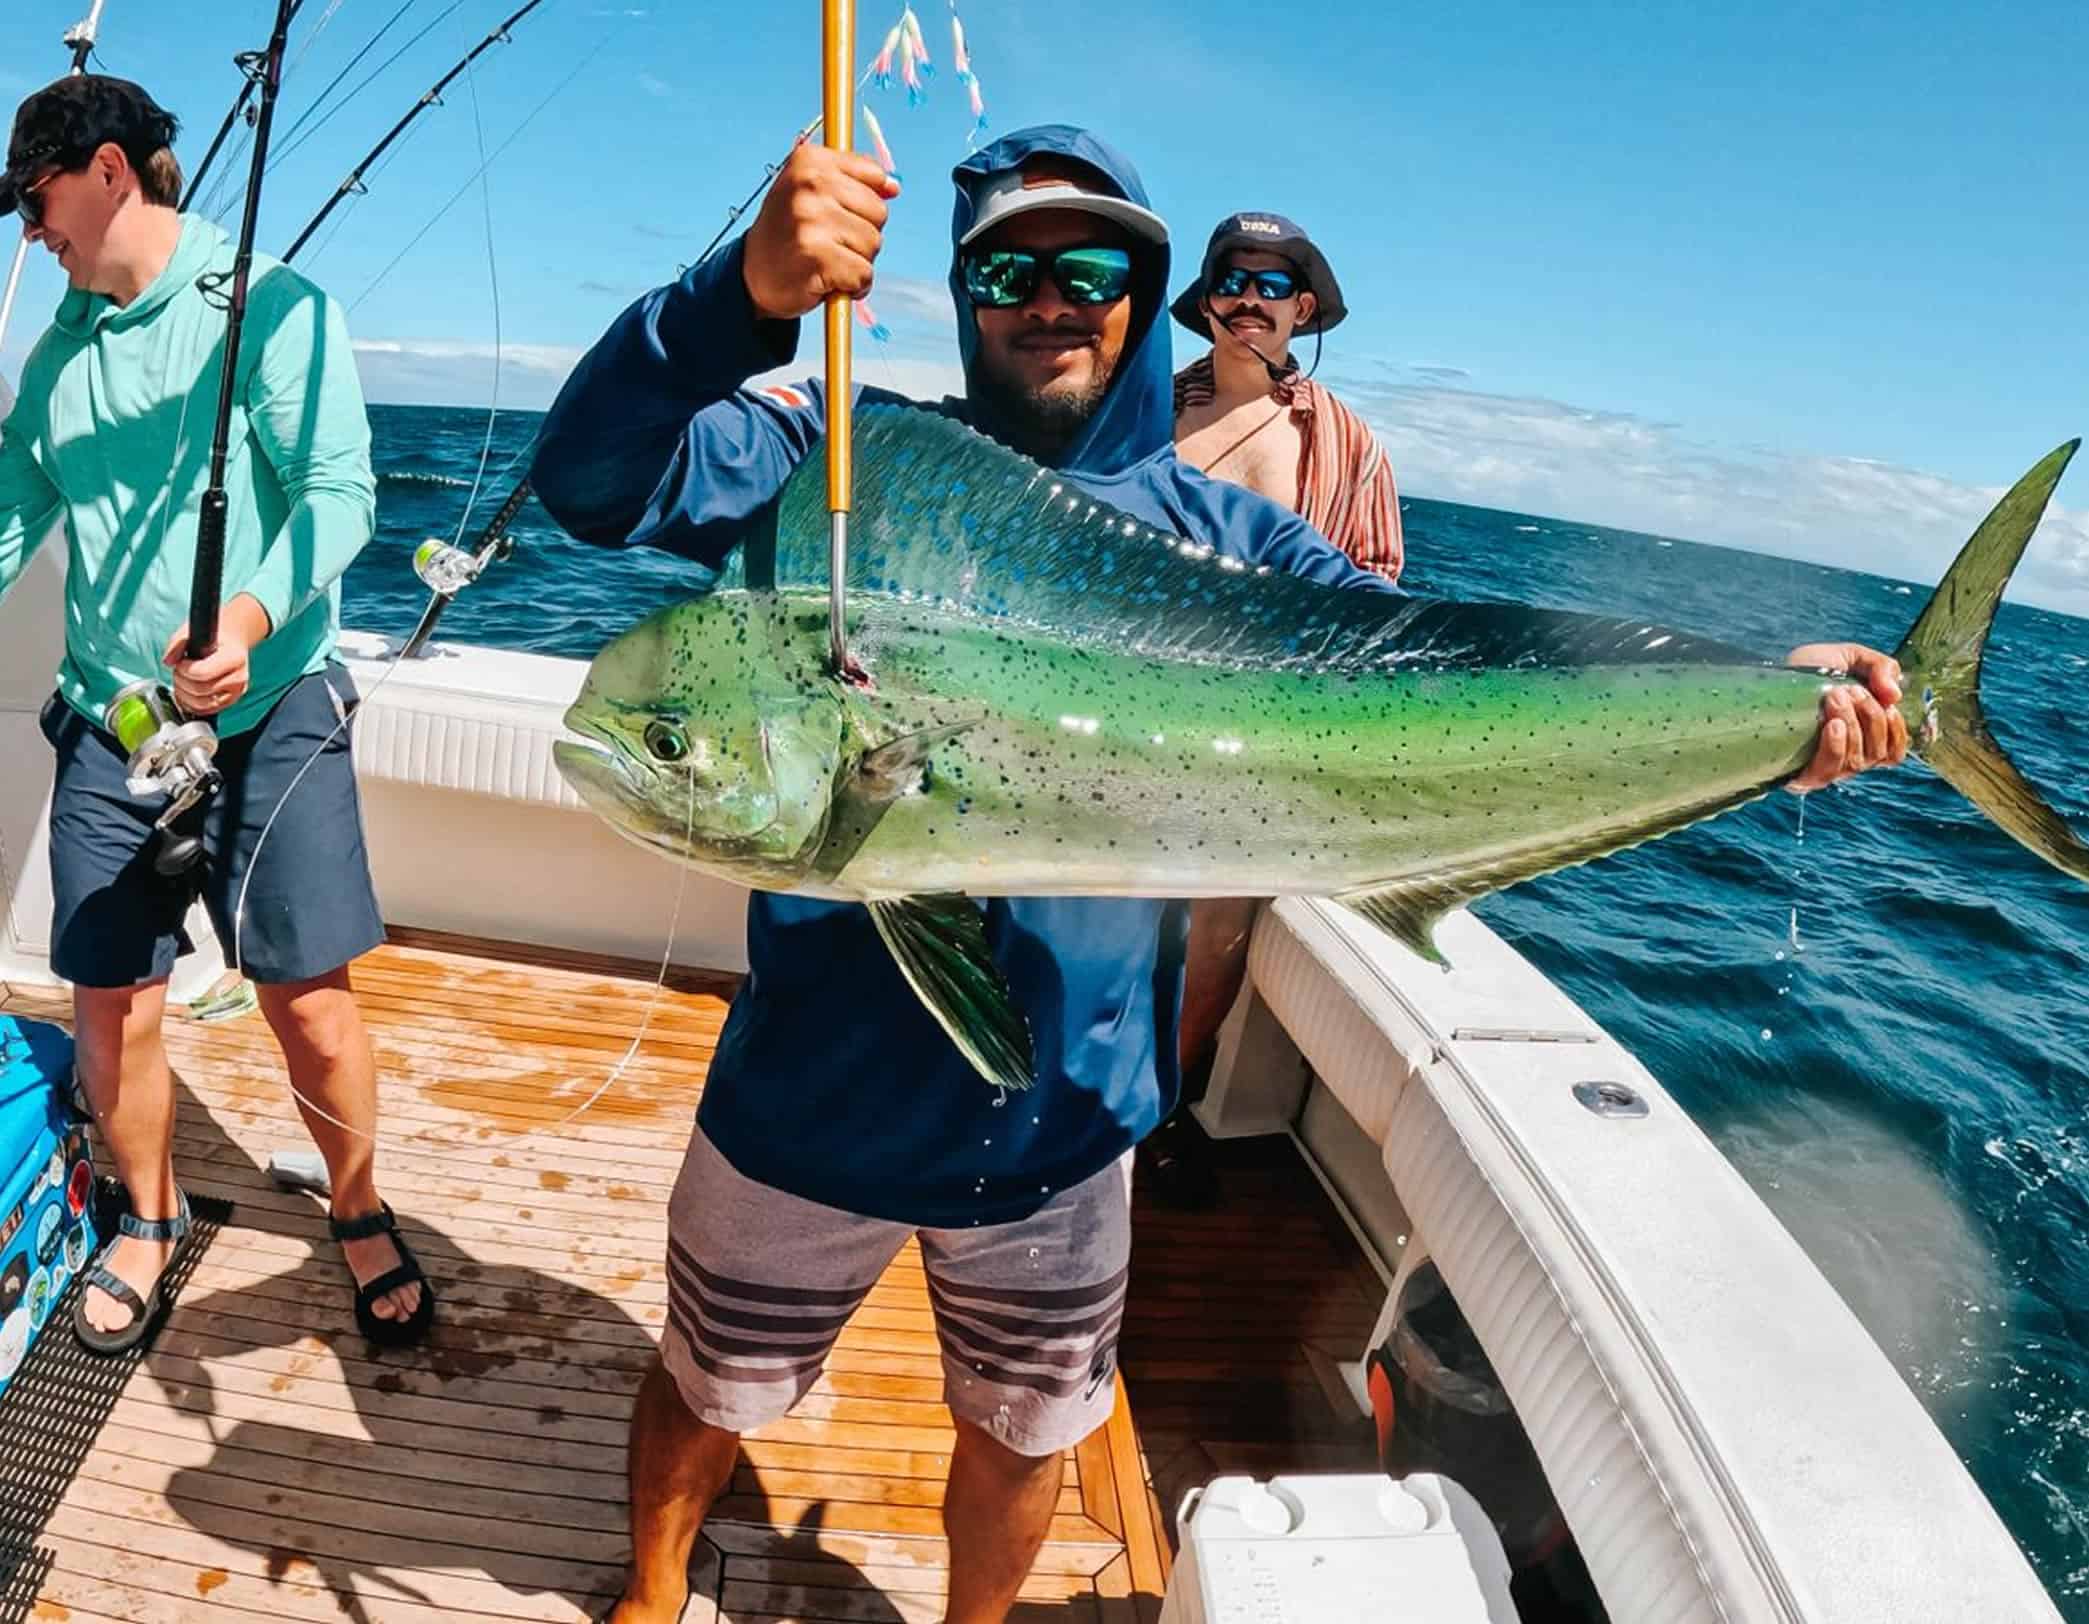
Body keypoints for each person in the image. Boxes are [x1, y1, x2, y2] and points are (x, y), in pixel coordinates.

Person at [529, 124, 1906, 1624]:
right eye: (1009, 267)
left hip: (1059, 1134)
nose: (1052, 297)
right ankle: (652, 1601)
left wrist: (1760, 703)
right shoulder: (845, 472)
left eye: (1094, 265)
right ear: (963, 289)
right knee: (709, 1384)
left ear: (1144, 291)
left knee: (1024, 1430)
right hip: (806, 1105)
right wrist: (741, 293)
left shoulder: (1231, 543)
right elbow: (597, 478)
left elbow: (1451, 663)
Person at [0, 75, 432, 1353]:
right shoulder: (60, 354)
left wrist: (241, 626)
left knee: (307, 997)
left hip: (270, 703)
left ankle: (357, 1207)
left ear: (110, 171)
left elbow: (341, 493)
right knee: (111, 1002)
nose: (33, 235)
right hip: (114, 722)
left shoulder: (275, 308)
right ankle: (148, 1214)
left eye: (38, 203)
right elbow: (15, 511)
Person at [1172, 212, 1403, 581]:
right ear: (1206, 303)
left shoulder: (1356, 447)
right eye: (1230, 282)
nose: (1249, 299)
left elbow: (1376, 579)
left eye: (1273, 285)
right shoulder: (1141, 413)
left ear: (1302, 308)